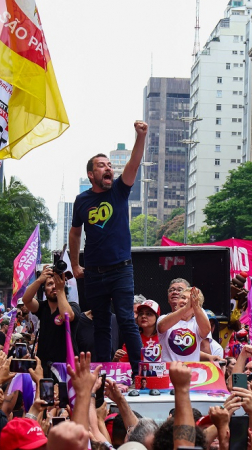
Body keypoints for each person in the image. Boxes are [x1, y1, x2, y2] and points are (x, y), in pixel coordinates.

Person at [69, 121, 148, 372]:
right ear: (91, 174)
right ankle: (103, 373)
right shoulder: (82, 200)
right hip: (93, 272)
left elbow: (133, 164)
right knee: (101, 323)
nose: (108, 168)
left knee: (126, 319)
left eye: (110, 165)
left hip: (121, 269)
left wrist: (141, 137)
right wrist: (75, 264)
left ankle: (139, 373)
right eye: (101, 165)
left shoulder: (119, 191)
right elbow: (74, 232)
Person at [21, 265, 80, 377]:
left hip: (65, 367)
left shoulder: (73, 306)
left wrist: (60, 290)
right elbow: (26, 300)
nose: (54, 287)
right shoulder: (42, 307)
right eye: (49, 284)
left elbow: (67, 315)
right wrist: (39, 280)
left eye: (56, 284)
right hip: (44, 366)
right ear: (44, 290)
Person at [157, 287, 211, 362]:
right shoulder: (163, 318)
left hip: (191, 371)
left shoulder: (196, 323)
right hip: (168, 371)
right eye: (183, 298)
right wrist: (186, 307)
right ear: (176, 303)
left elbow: (206, 330)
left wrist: (196, 306)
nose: (185, 301)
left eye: (190, 300)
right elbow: (161, 326)